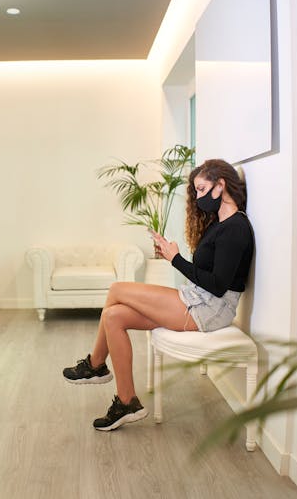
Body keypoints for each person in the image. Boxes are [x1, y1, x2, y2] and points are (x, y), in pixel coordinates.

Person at [62, 159, 254, 431]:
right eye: (196, 191)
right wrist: (171, 253)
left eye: (201, 189)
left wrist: (175, 259)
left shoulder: (236, 227)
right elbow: (205, 272)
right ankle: (126, 401)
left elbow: (218, 285)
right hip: (198, 298)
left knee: (117, 289)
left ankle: (95, 365)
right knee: (113, 316)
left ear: (220, 185)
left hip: (211, 309)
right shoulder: (218, 225)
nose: (198, 197)